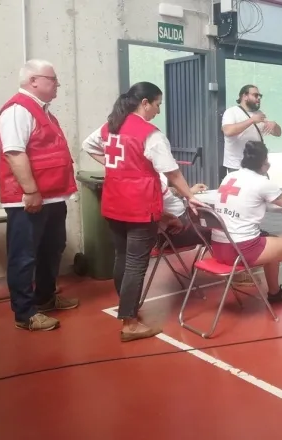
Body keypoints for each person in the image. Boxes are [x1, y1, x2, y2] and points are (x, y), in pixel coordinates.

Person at [82, 81, 203, 342]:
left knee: (122, 256)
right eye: (158, 104)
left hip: (114, 203)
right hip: (139, 205)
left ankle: (127, 305)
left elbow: (88, 145)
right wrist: (190, 196)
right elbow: (172, 172)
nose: (158, 110)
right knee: (136, 263)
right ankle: (130, 322)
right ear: (145, 103)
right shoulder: (150, 134)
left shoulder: (112, 125)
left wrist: (116, 166)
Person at [0, 59, 79, 332]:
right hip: (28, 199)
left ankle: (45, 298)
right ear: (33, 81)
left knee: (52, 249)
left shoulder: (44, 112)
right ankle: (25, 313)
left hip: (53, 197)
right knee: (24, 256)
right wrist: (31, 191)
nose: (57, 84)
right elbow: (14, 153)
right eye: (52, 79)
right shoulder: (18, 110)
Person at [211, 141, 282, 314]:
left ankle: (275, 293)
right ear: (263, 162)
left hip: (218, 248)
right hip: (240, 249)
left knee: (272, 241)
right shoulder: (262, 182)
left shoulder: (229, 177)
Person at [221, 84, 282, 174]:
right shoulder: (231, 112)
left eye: (260, 96)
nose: (259, 98)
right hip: (237, 166)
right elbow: (228, 131)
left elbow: (278, 133)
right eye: (255, 95)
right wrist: (251, 120)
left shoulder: (259, 113)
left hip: (257, 166)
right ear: (245, 96)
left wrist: (275, 125)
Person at [158, 174, 210, 248]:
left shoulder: (151, 179)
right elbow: (149, 210)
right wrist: (170, 220)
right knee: (218, 234)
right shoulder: (147, 181)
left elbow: (168, 191)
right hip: (173, 232)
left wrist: (189, 191)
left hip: (178, 225)